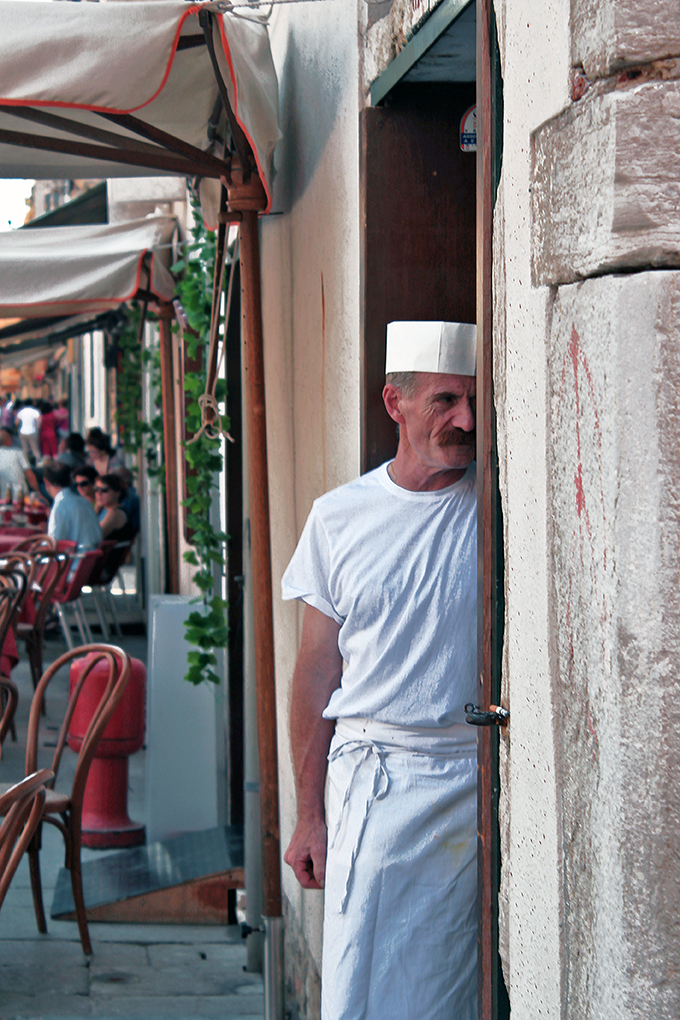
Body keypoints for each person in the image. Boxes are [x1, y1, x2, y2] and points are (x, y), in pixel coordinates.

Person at [281, 321, 478, 1020]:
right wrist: (308, 816)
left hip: (466, 787)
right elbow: (313, 674)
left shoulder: (493, 505)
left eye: (475, 402)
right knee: (357, 985)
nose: (466, 420)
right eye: (446, 401)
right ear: (395, 403)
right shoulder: (339, 519)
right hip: (369, 784)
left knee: (445, 993)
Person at [44, 460, 102, 552]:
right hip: (91, 559)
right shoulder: (84, 502)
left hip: (73, 561)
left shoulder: (60, 506)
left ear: (46, 482)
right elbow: (98, 536)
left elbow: (53, 544)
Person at [94, 473, 135, 542]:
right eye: (96, 489)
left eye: (104, 490)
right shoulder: (104, 509)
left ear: (117, 492)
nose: (99, 493)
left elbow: (93, 536)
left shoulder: (115, 513)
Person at [0, 428, 38, 498]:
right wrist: (39, 493)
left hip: (3, 499)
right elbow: (30, 476)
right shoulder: (18, 453)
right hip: (20, 496)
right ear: (8, 440)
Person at [15, 399, 41, 465]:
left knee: (25, 449)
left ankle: (26, 464)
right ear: (32, 404)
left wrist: (18, 428)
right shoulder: (35, 411)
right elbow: (39, 420)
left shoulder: (21, 411)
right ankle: (38, 463)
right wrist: (37, 428)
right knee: (35, 449)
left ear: (24, 404)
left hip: (22, 432)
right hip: (32, 431)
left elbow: (16, 422)